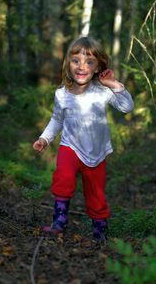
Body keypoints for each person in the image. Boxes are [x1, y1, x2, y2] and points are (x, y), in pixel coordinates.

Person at [33, 36, 134, 242]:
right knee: (63, 177)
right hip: (70, 146)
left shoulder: (103, 92)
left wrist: (114, 84)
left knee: (96, 192)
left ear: (98, 67)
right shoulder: (62, 94)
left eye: (89, 62)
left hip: (97, 152)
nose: (82, 66)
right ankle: (59, 221)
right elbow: (56, 120)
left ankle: (100, 231)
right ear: (68, 65)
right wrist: (45, 139)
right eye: (76, 61)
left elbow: (127, 107)